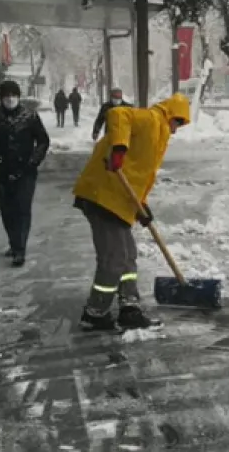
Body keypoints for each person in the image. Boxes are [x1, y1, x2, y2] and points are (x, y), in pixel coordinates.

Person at [71, 92, 191, 331]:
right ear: (171, 114)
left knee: (128, 255)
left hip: (118, 200)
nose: (177, 130)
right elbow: (117, 114)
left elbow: (139, 176)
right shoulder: (151, 119)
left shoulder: (160, 135)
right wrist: (118, 148)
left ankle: (129, 308)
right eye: (178, 122)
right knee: (114, 258)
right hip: (101, 195)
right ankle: (95, 313)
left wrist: (140, 205)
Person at [0, 80, 51, 267]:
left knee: (23, 208)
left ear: (19, 96)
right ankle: (14, 241)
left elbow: (43, 141)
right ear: (1, 98)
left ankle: (19, 249)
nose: (10, 99)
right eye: (6, 96)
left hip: (25, 170)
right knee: (7, 210)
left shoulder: (30, 117)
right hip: (0, 171)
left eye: (13, 95)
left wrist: (33, 161)